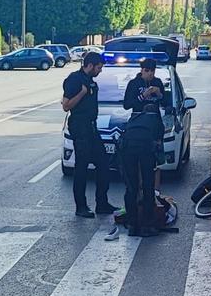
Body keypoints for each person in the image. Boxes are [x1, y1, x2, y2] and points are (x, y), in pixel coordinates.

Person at [61, 52, 118, 218]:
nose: (100, 71)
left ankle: (102, 203)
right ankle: (81, 206)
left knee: (103, 164)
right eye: (99, 68)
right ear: (91, 65)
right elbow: (66, 105)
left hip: (91, 128)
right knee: (81, 168)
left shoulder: (90, 81)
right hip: (80, 128)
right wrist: (82, 93)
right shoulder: (74, 80)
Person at [123, 58, 173, 190]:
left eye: (152, 71)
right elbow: (127, 105)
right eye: (147, 71)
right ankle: (139, 189)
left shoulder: (157, 82)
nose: (150, 74)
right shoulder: (134, 84)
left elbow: (166, 103)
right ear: (142, 70)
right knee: (139, 161)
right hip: (139, 127)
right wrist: (143, 95)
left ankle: (155, 192)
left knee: (155, 161)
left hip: (155, 126)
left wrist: (159, 94)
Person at [120, 103, 164, 237]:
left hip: (127, 150)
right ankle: (147, 226)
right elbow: (159, 144)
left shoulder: (134, 118)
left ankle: (132, 226)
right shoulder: (156, 119)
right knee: (147, 186)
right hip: (145, 149)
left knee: (131, 188)